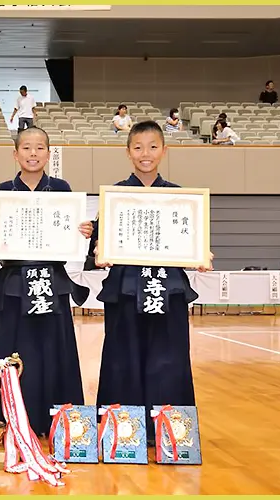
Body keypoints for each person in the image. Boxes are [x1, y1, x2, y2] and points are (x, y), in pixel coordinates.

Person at [91, 120, 213, 444]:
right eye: (138, 147)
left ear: (164, 150)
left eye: (153, 146)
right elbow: (99, 247)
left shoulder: (180, 198)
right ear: (128, 152)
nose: (146, 154)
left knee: (169, 358)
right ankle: (123, 434)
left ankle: (170, 432)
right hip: (126, 289)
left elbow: (193, 243)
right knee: (122, 358)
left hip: (167, 287)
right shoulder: (114, 197)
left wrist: (202, 255)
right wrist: (98, 250)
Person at [0, 126, 93, 436]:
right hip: (14, 282)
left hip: (51, 281)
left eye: (40, 147)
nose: (33, 153)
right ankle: (15, 420)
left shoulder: (61, 189)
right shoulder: (3, 190)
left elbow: (69, 237)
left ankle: (59, 421)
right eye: (27, 148)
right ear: (15, 154)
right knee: (15, 351)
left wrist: (82, 231)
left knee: (53, 350)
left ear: (49, 154)